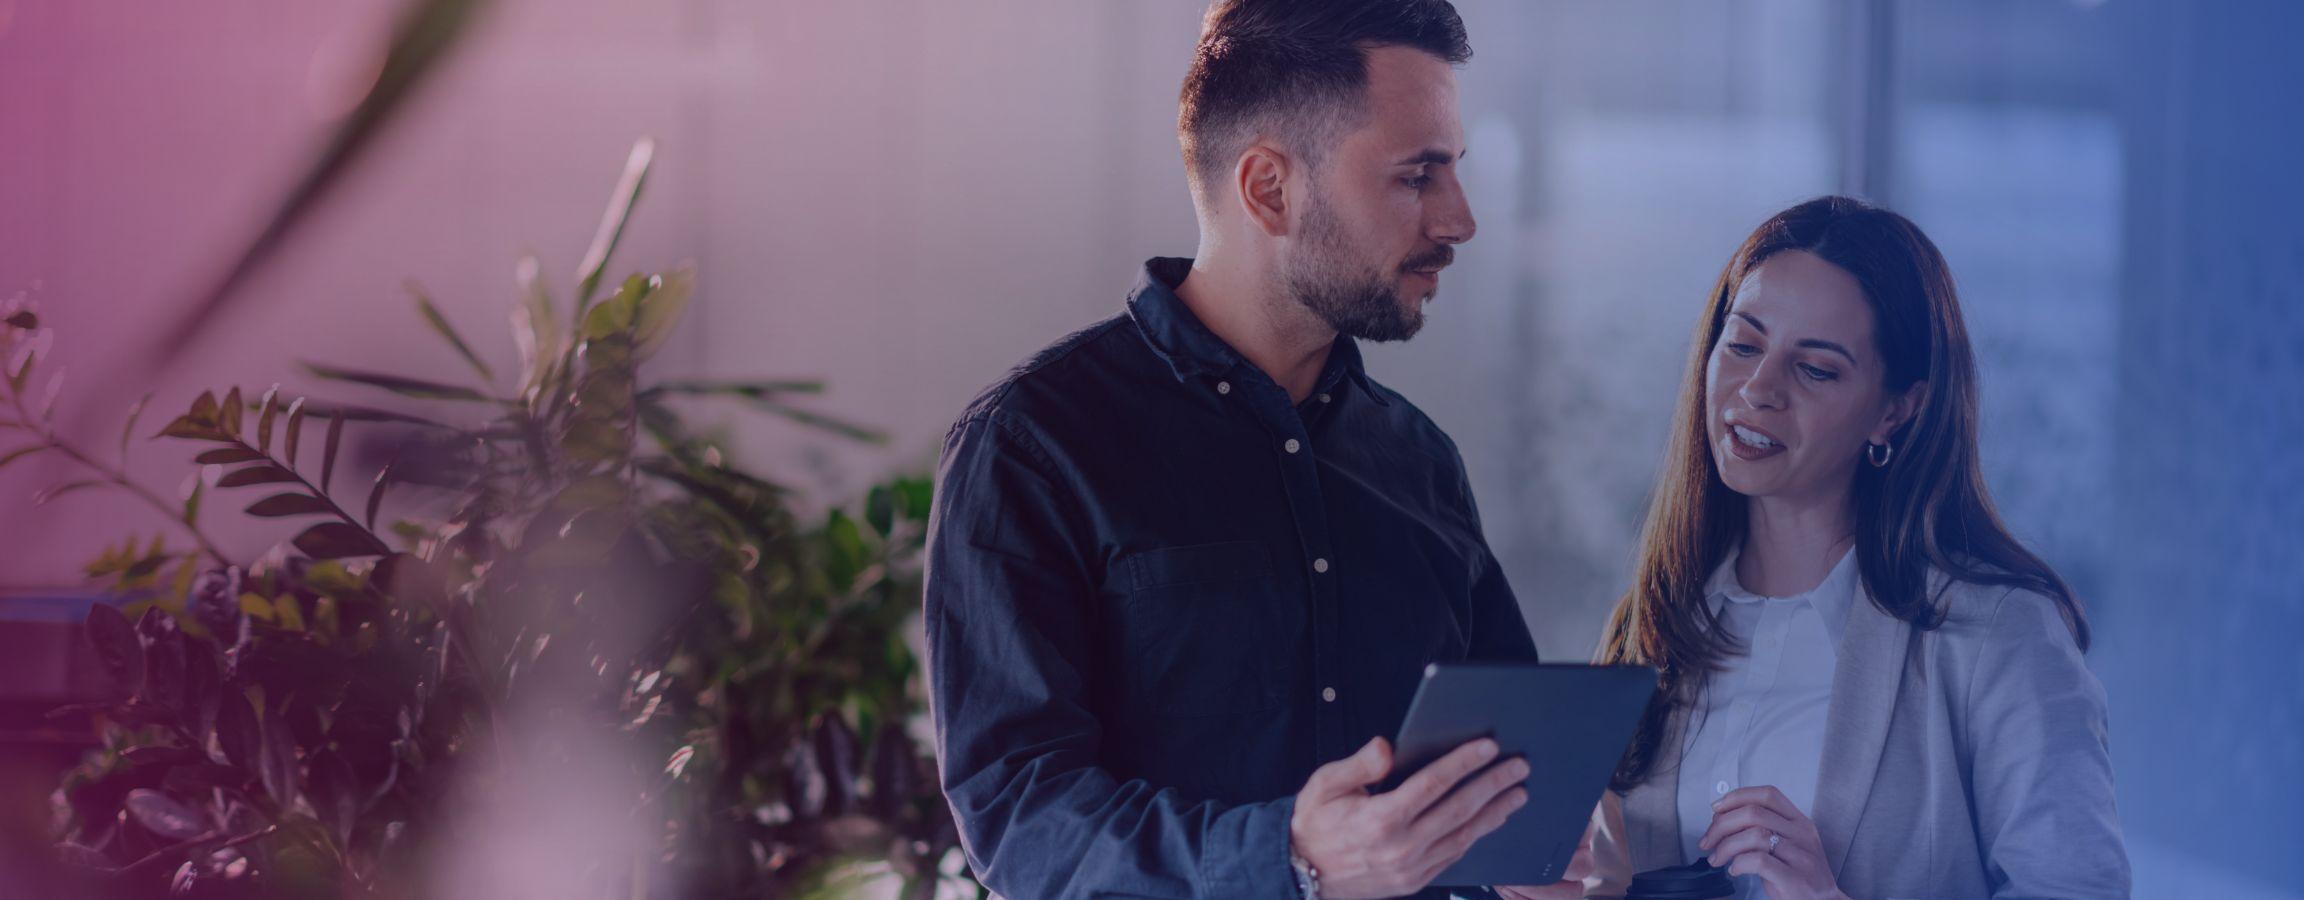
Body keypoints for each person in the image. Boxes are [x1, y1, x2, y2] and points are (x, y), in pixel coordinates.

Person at [925, 1, 1588, 896]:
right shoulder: (1035, 449)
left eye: (1454, 171)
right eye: (1416, 176)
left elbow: (1502, 776)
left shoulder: (1419, 460)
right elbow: (1021, 822)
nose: (1460, 219)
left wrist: (1546, 847)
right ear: (1269, 189)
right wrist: (1292, 857)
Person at [1584, 197, 2129, 899]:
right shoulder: (1649, 624)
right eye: (1744, 344)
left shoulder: (2000, 637)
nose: (1758, 389)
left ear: (1895, 409)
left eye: (1815, 369)